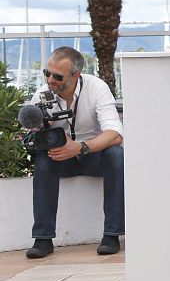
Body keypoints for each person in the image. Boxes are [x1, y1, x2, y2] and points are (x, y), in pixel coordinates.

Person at [25, 46, 124, 259]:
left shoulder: (97, 88)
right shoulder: (41, 95)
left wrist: (80, 147)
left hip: (91, 155)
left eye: (57, 76)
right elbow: (31, 135)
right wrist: (35, 132)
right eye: (47, 73)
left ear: (76, 75)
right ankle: (42, 239)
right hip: (61, 159)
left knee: (115, 154)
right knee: (44, 158)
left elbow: (115, 134)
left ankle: (112, 234)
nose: (50, 80)